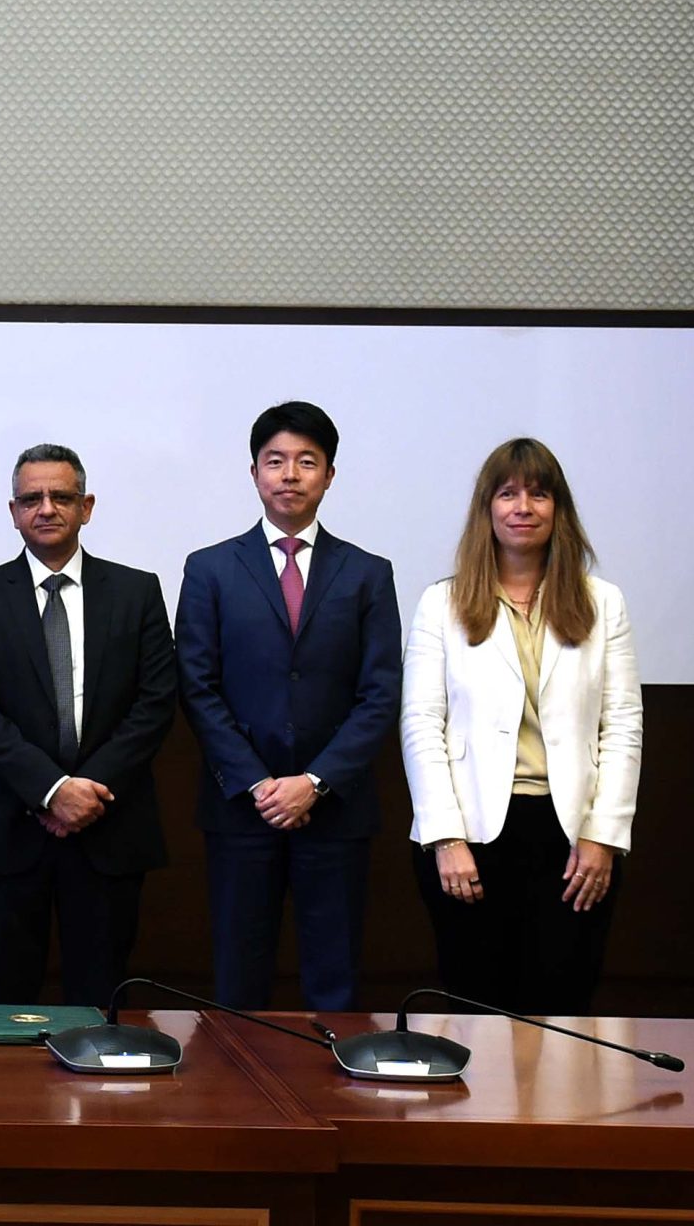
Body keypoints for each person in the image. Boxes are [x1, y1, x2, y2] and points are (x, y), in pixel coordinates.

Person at [401, 438, 639, 1016]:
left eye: (539, 494)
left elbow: (622, 724)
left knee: (561, 1010)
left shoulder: (603, 602)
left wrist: (603, 835)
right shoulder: (442, 603)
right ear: (487, 508)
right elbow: (421, 724)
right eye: (507, 494)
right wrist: (445, 838)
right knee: (477, 1013)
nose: (523, 507)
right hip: (471, 837)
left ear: (559, 509)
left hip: (572, 839)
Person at [175, 402, 401, 1011]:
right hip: (241, 810)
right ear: (254, 473)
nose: (290, 475)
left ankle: (334, 1073)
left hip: (336, 811)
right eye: (276, 461)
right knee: (238, 978)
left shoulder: (368, 573)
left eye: (307, 461)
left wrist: (315, 781)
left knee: (335, 979)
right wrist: (258, 783)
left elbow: (380, 693)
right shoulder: (210, 568)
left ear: (329, 475)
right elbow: (197, 686)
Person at [0, 444, 176, 1006]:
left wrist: (86, 792)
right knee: (3, 1006)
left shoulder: (137, 591)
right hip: (6, 832)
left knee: (99, 1007)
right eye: (31, 499)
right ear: (14, 511)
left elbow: (155, 703)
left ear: (86, 506)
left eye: (61, 497)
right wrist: (51, 790)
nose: (46, 509)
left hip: (108, 828)